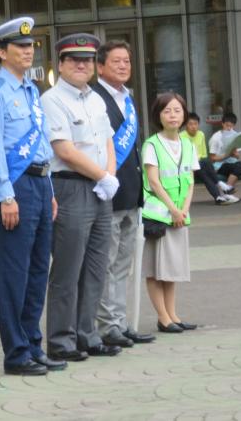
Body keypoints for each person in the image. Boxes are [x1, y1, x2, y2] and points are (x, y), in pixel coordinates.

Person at [0, 17, 64, 377]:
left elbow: (41, 143)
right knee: (15, 273)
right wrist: (4, 196)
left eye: (30, 46)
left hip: (41, 185)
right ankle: (15, 353)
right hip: (16, 187)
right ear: (2, 52)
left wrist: (51, 190)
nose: (28, 51)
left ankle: (32, 344)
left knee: (39, 270)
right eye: (20, 46)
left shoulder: (30, 89)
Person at [41, 33, 121, 362]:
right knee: (68, 268)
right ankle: (61, 340)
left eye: (86, 60)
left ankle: (87, 334)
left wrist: (110, 176)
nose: (81, 64)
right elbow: (65, 151)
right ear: (60, 64)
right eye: (73, 59)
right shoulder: (52, 100)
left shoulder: (96, 99)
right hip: (71, 187)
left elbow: (108, 143)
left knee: (96, 267)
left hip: (101, 189)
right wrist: (103, 176)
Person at [91, 41, 156, 348]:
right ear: (100, 67)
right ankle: (107, 326)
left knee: (122, 266)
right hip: (109, 196)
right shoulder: (94, 98)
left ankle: (119, 322)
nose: (123, 66)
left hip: (131, 194)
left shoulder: (127, 99)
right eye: (116, 61)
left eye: (127, 61)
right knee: (107, 263)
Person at [141, 93, 198, 334]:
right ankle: (163, 318)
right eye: (167, 111)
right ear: (158, 116)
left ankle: (173, 314)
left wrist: (183, 210)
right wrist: (173, 209)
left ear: (184, 114)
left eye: (177, 110)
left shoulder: (188, 144)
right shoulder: (152, 144)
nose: (173, 115)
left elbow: (191, 181)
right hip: (158, 217)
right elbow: (153, 182)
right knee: (155, 269)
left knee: (171, 268)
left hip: (178, 217)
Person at [183, 112, 238, 205]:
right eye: (190, 124)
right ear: (186, 125)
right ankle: (220, 184)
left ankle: (218, 197)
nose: (193, 126)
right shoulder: (181, 136)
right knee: (204, 163)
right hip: (187, 167)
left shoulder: (201, 134)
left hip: (200, 166)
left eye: (195, 124)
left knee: (204, 173)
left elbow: (204, 153)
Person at [208, 112, 241, 201]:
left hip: (233, 163)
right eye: (227, 126)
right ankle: (227, 192)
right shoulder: (216, 138)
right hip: (219, 165)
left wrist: (235, 155)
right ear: (222, 124)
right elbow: (212, 158)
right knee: (238, 168)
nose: (229, 129)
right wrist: (227, 155)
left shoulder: (235, 135)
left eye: (231, 126)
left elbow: (237, 156)